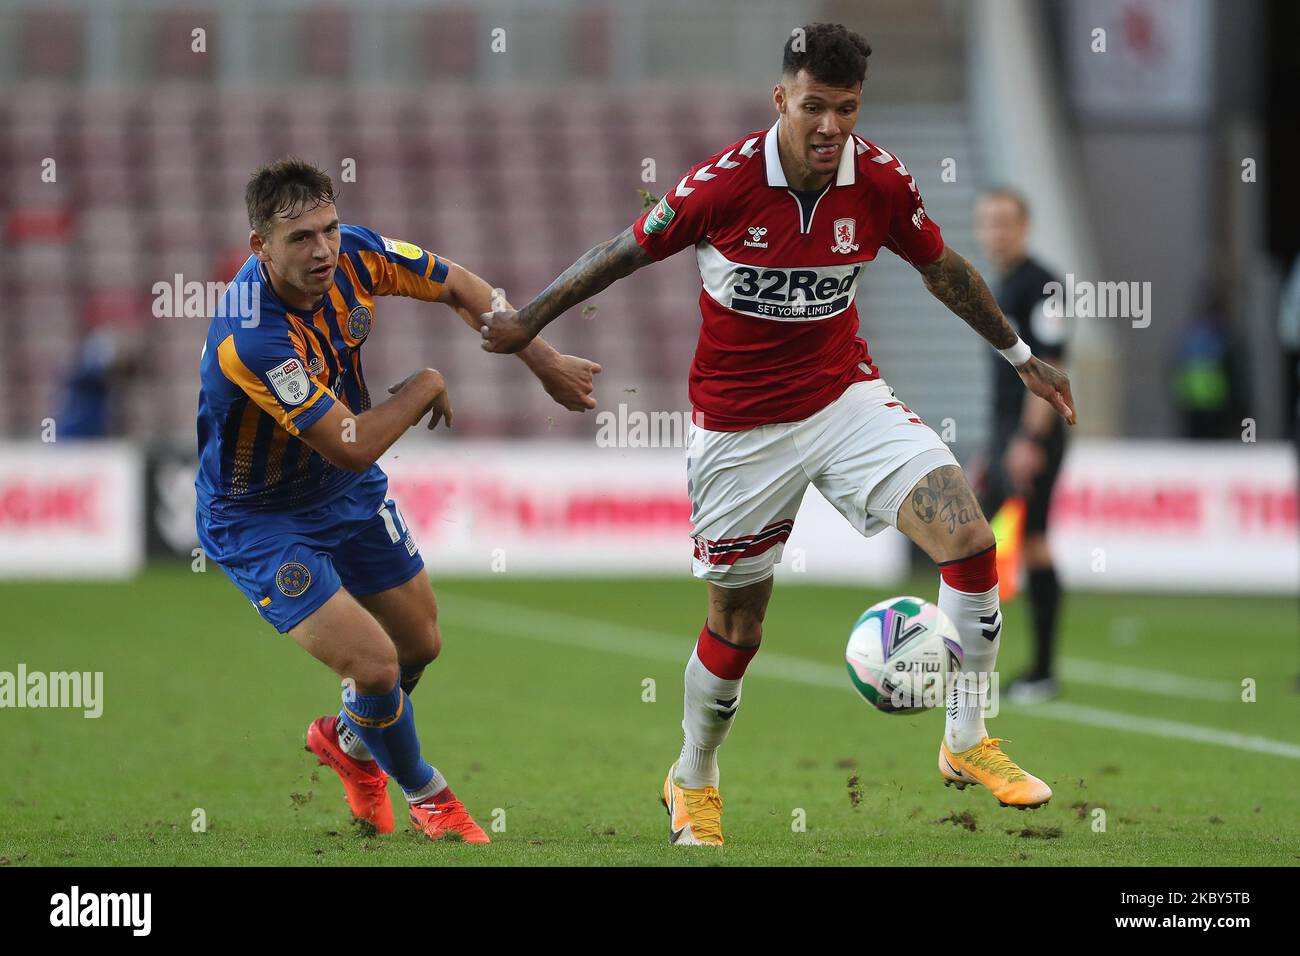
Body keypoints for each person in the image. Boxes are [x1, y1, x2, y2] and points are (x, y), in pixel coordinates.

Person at [481, 24, 1075, 845]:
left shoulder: (881, 183)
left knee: (971, 539)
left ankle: (967, 740)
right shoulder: (721, 186)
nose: (832, 126)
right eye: (815, 107)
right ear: (781, 101)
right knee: (739, 627)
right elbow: (622, 252)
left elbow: (942, 269)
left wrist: (1020, 356)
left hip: (844, 399)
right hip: (740, 431)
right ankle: (693, 776)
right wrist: (528, 323)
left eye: (847, 109)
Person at [195, 158, 600, 842]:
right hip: (260, 518)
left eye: (328, 228)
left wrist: (542, 356)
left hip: (345, 494)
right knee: (375, 664)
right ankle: (428, 795)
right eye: (300, 239)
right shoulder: (252, 336)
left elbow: (462, 287)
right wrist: (422, 387)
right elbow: (349, 442)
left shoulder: (358, 253)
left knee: (419, 644)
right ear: (259, 246)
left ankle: (350, 745)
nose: (323, 249)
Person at [973, 188, 1070, 703]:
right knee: (983, 537)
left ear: (1024, 226)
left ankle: (1043, 671)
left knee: (1032, 541)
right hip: (1008, 436)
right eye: (987, 222)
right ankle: (977, 664)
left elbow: (1053, 362)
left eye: (1005, 222)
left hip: (1037, 436)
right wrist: (995, 445)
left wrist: (1030, 439)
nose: (996, 231)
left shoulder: (1043, 284)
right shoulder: (1001, 283)